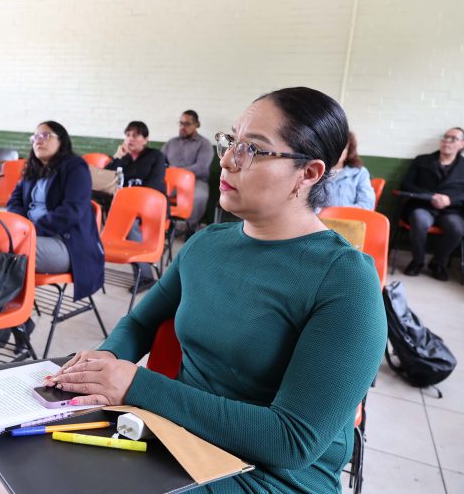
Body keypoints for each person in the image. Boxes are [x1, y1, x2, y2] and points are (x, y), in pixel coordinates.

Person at [45, 87, 387, 494]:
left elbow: (292, 440)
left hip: (267, 475)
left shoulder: (345, 282)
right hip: (177, 438)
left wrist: (136, 385)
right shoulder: (207, 245)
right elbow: (140, 321)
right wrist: (107, 358)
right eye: (231, 142)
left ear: (308, 173)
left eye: (253, 150)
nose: (226, 160)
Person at [7, 120, 105, 301]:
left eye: (45, 135)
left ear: (61, 141)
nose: (38, 140)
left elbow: (71, 211)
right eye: (35, 137)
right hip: (31, 235)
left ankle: (10, 319)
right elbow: (14, 201)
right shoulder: (33, 169)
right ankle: (4, 318)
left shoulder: (75, 167)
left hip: (67, 243)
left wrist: (31, 230)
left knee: (9, 251)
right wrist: (22, 227)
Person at [105, 121, 167, 293]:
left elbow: (155, 184)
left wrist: (131, 198)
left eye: (135, 135)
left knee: (129, 222)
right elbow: (105, 179)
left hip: (152, 210)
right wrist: (117, 158)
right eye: (128, 135)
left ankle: (146, 277)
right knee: (124, 219)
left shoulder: (155, 156)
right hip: (126, 210)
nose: (130, 139)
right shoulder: (123, 158)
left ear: (145, 139)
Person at [400, 127, 464, 281]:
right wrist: (431, 196)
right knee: (418, 219)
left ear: (462, 144)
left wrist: (450, 200)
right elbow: (406, 184)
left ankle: (438, 263)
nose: (447, 141)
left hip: (452, 210)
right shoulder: (422, 160)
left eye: (453, 138)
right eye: (445, 137)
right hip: (424, 206)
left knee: (457, 228)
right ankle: (418, 261)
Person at [161, 110, 214, 234]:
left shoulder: (204, 144)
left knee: (199, 196)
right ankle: (161, 225)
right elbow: (161, 161)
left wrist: (178, 172)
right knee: (155, 191)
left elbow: (201, 167)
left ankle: (191, 228)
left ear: (197, 125)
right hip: (171, 180)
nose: (182, 127)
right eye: (181, 123)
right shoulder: (171, 142)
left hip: (197, 180)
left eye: (187, 124)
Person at [320, 131, 375, 211]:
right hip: (319, 221)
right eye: (334, 146)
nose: (338, 152)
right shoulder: (316, 171)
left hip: (350, 221)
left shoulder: (359, 173)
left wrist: (337, 213)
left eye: (343, 148)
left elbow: (367, 205)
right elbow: (306, 205)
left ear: (349, 151)